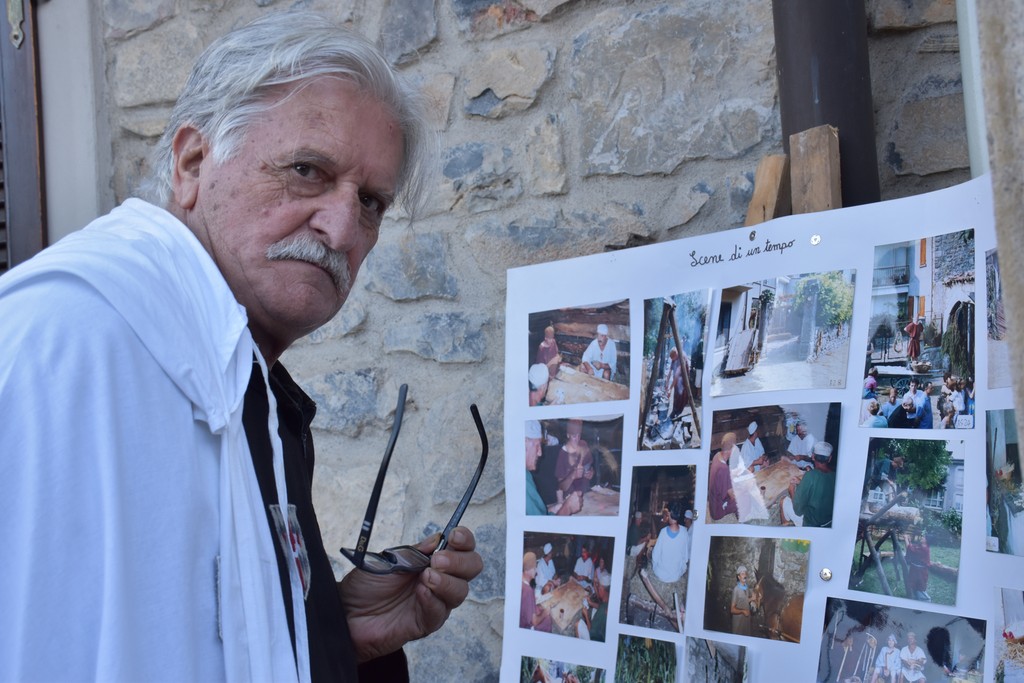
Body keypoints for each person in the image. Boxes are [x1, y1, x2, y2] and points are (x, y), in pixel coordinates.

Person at [0, 12, 482, 682]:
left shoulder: (251, 389)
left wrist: (333, 633)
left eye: (371, 202)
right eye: (307, 171)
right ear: (193, 163)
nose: (343, 228)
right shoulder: (64, 345)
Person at [526, 420, 581, 516]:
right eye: (537, 446)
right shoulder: (521, 480)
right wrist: (567, 508)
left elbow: (535, 514)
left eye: (579, 435)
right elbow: (538, 527)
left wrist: (551, 510)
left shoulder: (526, 474)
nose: (540, 453)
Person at [780, 442, 836, 527]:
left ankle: (785, 532)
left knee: (783, 501)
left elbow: (798, 511)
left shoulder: (810, 475)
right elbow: (821, 488)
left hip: (812, 524)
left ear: (813, 456)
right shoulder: (835, 475)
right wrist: (801, 483)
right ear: (829, 458)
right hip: (829, 523)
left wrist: (791, 491)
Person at [651, 502, 690, 583]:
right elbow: (685, 558)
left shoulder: (663, 532)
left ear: (669, 513)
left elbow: (655, 556)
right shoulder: (684, 532)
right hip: (676, 576)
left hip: (660, 574)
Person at [555, 419, 594, 496]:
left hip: (586, 493)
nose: (577, 439)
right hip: (571, 496)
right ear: (568, 435)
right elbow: (561, 487)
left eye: (579, 435)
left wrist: (591, 473)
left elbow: (590, 467)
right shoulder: (563, 454)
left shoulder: (583, 445)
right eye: (574, 436)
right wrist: (573, 476)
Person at [709, 434, 739, 520]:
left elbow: (722, 480)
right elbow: (733, 496)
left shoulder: (717, 456)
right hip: (718, 510)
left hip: (713, 503)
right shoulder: (724, 469)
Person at [520, 552, 552, 632]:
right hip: (525, 627)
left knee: (539, 608)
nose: (536, 571)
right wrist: (545, 613)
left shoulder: (520, 581)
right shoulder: (528, 591)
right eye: (535, 568)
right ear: (529, 569)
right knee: (548, 620)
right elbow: (534, 622)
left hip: (521, 618)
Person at [905, 531, 931, 601]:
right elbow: (913, 547)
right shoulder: (922, 546)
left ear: (926, 541)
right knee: (914, 585)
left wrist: (906, 539)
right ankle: (917, 600)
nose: (922, 537)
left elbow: (909, 548)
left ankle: (926, 601)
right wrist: (909, 541)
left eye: (924, 537)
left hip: (920, 572)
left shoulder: (924, 549)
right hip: (916, 569)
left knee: (920, 587)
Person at [730, 565, 753, 636]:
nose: (745, 576)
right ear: (739, 577)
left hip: (746, 620)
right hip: (738, 622)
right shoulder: (736, 590)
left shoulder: (746, 587)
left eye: (745, 574)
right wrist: (743, 611)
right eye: (742, 574)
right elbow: (732, 610)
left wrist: (752, 598)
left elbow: (744, 600)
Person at [668, 347, 689, 420]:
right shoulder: (674, 357)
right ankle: (675, 410)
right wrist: (667, 383)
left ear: (676, 354)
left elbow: (677, 375)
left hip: (683, 378)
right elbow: (670, 371)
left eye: (673, 358)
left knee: (681, 394)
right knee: (676, 394)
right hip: (678, 378)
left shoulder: (681, 357)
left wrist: (670, 389)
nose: (672, 360)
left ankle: (678, 412)